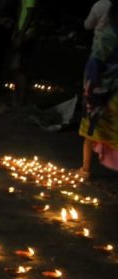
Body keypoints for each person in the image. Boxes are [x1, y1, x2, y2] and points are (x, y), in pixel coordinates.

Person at [80, 2, 118, 177]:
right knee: (94, 127)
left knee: (92, 128)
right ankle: (85, 169)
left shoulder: (108, 35)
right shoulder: (109, 36)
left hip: (103, 90)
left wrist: (91, 86)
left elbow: (95, 62)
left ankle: (86, 169)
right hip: (106, 90)